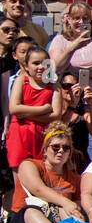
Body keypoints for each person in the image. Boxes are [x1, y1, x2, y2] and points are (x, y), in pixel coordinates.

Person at [6, 123, 92, 223]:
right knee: (32, 211)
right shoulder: (30, 165)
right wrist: (65, 202)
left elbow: (77, 206)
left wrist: (74, 208)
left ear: (70, 152)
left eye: (66, 148)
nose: (60, 151)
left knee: (67, 210)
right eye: (55, 147)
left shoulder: (74, 178)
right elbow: (37, 189)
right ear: (45, 150)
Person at [48, 2, 92, 161]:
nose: (81, 23)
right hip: (67, 105)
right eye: (76, 18)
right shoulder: (59, 40)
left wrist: (74, 69)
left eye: (85, 19)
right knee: (65, 155)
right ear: (68, 19)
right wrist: (74, 46)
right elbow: (54, 68)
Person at [7, 44, 62, 172]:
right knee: (20, 175)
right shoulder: (21, 80)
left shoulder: (54, 86)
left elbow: (56, 115)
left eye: (45, 63)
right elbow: (14, 109)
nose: (41, 67)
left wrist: (24, 113)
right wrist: (43, 109)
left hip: (44, 135)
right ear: (26, 66)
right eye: (36, 63)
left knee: (43, 173)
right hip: (20, 135)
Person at [54, 71, 92, 169]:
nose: (71, 90)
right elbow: (59, 128)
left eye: (75, 86)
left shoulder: (84, 115)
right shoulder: (55, 112)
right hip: (59, 161)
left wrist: (91, 104)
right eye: (67, 86)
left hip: (79, 163)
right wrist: (72, 105)